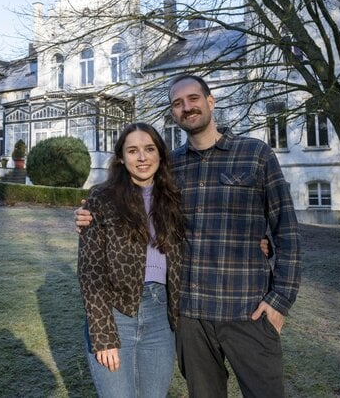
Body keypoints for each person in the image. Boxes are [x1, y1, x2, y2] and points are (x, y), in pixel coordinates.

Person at [77, 74, 301, 398]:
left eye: (193, 98)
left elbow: (287, 230)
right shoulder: (171, 168)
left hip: (247, 309)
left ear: (210, 101)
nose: (187, 107)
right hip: (190, 317)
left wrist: (279, 300)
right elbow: (132, 205)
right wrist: (87, 215)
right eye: (178, 103)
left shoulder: (255, 154)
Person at [78, 122, 185, 398]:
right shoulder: (102, 198)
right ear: (122, 158)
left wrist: (262, 242)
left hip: (162, 315)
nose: (142, 157)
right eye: (133, 150)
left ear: (160, 154)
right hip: (116, 312)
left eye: (149, 149)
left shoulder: (174, 198)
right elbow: (91, 271)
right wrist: (103, 335)